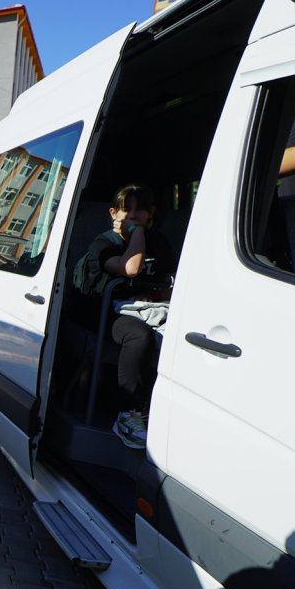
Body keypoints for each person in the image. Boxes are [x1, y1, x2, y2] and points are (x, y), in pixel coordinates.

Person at [71, 184, 175, 448]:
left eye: (140, 210)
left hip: (149, 309)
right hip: (109, 314)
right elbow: (130, 268)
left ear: (151, 212)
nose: (133, 215)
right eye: (126, 209)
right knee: (138, 336)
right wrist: (137, 232)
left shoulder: (160, 243)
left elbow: (169, 283)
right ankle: (127, 414)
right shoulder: (105, 243)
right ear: (113, 213)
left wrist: (153, 294)